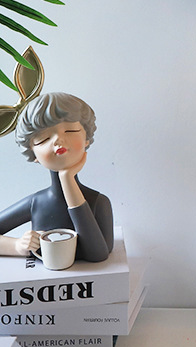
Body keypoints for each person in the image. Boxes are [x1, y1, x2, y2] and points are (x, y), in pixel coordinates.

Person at [0, 92, 113, 262]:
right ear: (33, 153)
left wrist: (67, 179)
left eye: (70, 130)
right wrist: (17, 246)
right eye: (43, 139)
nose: (58, 140)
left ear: (87, 139)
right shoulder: (36, 203)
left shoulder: (99, 202)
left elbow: (97, 254)